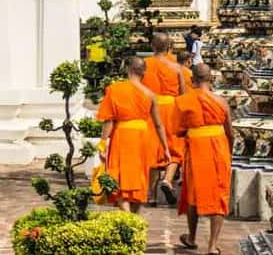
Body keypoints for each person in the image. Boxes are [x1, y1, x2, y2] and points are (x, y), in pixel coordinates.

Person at [96, 57, 171, 214]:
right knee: (139, 177)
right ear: (144, 72)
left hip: (123, 136)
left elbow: (109, 120)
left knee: (121, 177)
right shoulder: (150, 94)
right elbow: (158, 125)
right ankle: (133, 216)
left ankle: (127, 217)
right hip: (143, 138)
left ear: (128, 69)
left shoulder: (115, 89)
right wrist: (166, 148)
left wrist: (103, 143)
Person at [174, 63, 232, 255]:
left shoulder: (184, 101)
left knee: (193, 194)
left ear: (192, 80)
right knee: (219, 194)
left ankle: (191, 238)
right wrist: (228, 153)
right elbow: (230, 132)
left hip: (196, 149)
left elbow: (179, 131)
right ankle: (212, 246)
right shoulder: (221, 101)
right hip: (219, 149)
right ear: (211, 79)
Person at [142, 32, 186, 205]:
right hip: (171, 107)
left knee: (154, 149)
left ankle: (151, 195)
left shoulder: (145, 65)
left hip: (151, 108)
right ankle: (167, 179)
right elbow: (182, 93)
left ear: (152, 46)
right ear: (169, 47)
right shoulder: (176, 67)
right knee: (175, 148)